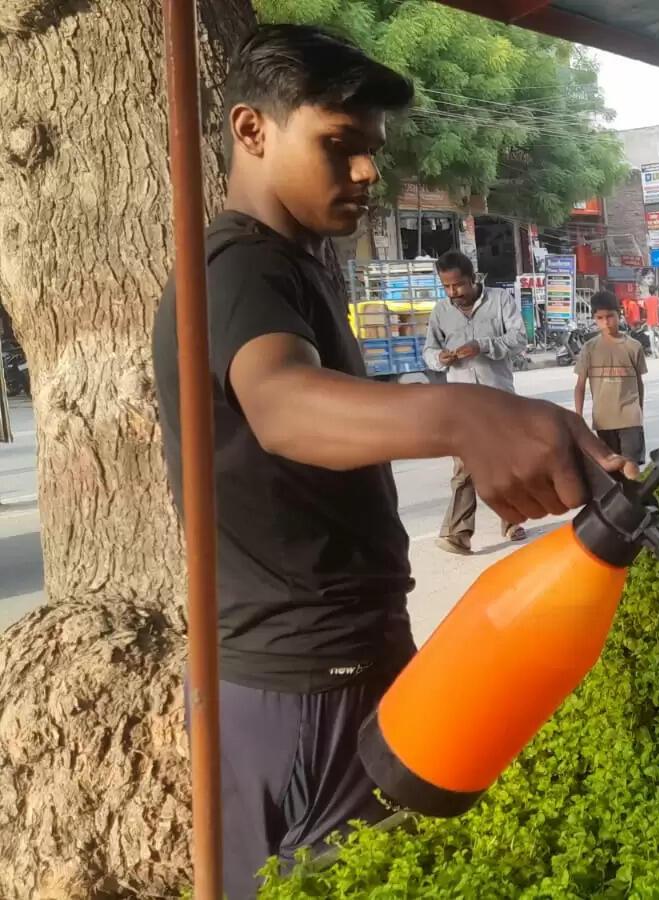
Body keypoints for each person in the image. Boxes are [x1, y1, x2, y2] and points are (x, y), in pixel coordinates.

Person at [149, 26, 633, 899]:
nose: (368, 173)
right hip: (299, 689)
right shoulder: (237, 268)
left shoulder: (301, 265)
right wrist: (463, 413)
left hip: (339, 664)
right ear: (251, 131)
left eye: (372, 151)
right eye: (340, 146)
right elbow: (282, 405)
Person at [423, 250, 530, 554]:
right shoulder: (441, 312)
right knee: (464, 468)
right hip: (462, 403)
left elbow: (519, 339)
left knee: (503, 463)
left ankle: (511, 520)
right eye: (446, 287)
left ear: (472, 279)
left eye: (458, 285)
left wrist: (481, 346)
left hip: (498, 397)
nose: (453, 293)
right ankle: (458, 533)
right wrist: (439, 358)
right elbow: (429, 349)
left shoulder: (500, 301)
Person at [574, 291, 648, 463]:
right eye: (600, 318)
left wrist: (640, 411)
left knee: (631, 467)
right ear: (594, 318)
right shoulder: (589, 348)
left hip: (630, 418)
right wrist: (578, 417)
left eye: (610, 316)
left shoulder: (633, 346)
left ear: (619, 314)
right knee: (612, 470)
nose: (606, 322)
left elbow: (639, 383)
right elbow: (580, 385)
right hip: (603, 421)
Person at [642, 289, 659, 358]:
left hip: (649, 320)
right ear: (655, 291)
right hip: (655, 320)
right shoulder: (658, 299)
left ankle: (653, 354)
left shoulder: (646, 300)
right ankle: (656, 348)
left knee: (651, 337)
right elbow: (658, 311)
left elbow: (645, 311)